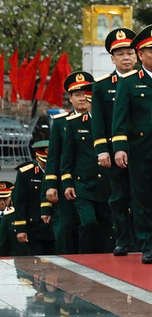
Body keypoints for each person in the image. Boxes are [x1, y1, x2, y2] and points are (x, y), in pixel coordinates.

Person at [111, 25, 152, 264]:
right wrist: (120, 147)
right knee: (142, 200)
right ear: (140, 54)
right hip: (141, 149)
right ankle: (147, 244)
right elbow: (120, 118)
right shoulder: (129, 82)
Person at [93, 28, 139, 257]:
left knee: (143, 196)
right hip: (114, 151)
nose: (126, 58)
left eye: (130, 53)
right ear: (113, 58)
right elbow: (99, 122)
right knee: (119, 197)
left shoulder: (148, 81)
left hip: (141, 149)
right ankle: (122, 239)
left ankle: (143, 239)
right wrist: (102, 150)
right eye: (120, 54)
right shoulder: (102, 86)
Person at [60, 72, 114, 254]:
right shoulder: (75, 124)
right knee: (88, 221)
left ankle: (106, 261)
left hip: (105, 183)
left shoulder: (109, 123)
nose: (87, 102)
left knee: (107, 226)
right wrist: (67, 183)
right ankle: (85, 258)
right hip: (83, 185)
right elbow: (66, 158)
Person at [42, 99, 79, 255]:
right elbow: (53, 157)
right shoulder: (61, 122)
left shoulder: (99, 118)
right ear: (71, 98)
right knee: (65, 227)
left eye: (86, 94)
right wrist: (50, 185)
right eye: (77, 95)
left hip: (93, 182)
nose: (83, 98)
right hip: (65, 183)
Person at [13, 140, 55, 253]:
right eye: (44, 162)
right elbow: (20, 202)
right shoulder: (26, 173)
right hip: (35, 227)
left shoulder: (59, 170)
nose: (47, 165)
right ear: (37, 157)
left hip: (56, 225)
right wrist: (21, 229)